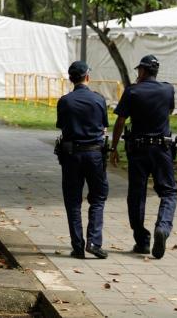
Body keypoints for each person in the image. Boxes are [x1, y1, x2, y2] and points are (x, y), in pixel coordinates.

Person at [110, 54, 177, 259]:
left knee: (136, 195)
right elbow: (170, 110)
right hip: (162, 150)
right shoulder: (168, 89)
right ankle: (163, 228)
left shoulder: (132, 91)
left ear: (143, 71)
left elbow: (121, 121)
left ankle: (142, 240)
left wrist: (113, 148)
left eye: (138, 70)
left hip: (138, 151)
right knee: (168, 192)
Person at [56, 61, 109, 259]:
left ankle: (78, 246)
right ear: (88, 76)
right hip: (95, 154)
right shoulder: (98, 99)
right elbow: (104, 125)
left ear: (71, 79)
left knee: (72, 200)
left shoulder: (65, 101)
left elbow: (61, 125)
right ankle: (94, 241)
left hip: (71, 155)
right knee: (97, 198)